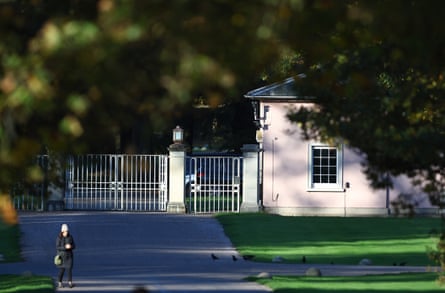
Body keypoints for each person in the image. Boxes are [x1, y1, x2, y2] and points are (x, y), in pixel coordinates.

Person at [56, 223, 76, 288]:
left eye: (67, 231)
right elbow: (57, 247)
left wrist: (70, 246)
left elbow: (74, 246)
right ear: (62, 231)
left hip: (69, 256)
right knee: (62, 270)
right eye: (65, 231)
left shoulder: (70, 237)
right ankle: (60, 283)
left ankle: (70, 283)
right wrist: (65, 247)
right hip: (62, 256)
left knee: (69, 269)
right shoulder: (59, 238)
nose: (66, 232)